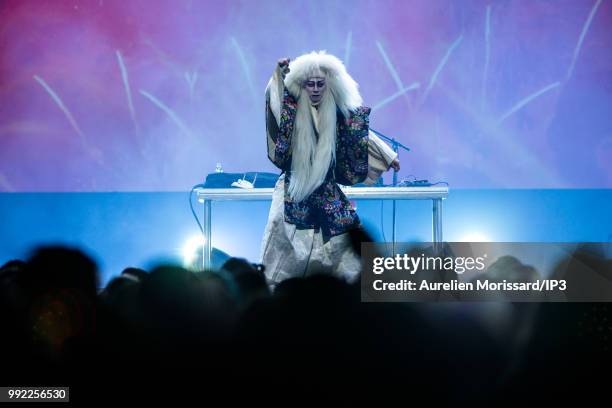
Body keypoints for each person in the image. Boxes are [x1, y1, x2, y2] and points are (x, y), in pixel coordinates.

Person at [260, 51, 399, 286]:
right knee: (283, 242)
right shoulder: (291, 111)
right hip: (293, 189)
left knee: (345, 247)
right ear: (302, 85)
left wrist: (386, 155)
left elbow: (360, 136)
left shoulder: (336, 114)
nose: (314, 89)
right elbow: (276, 102)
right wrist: (280, 75)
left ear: (328, 85)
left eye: (320, 84)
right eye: (310, 84)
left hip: (326, 190)